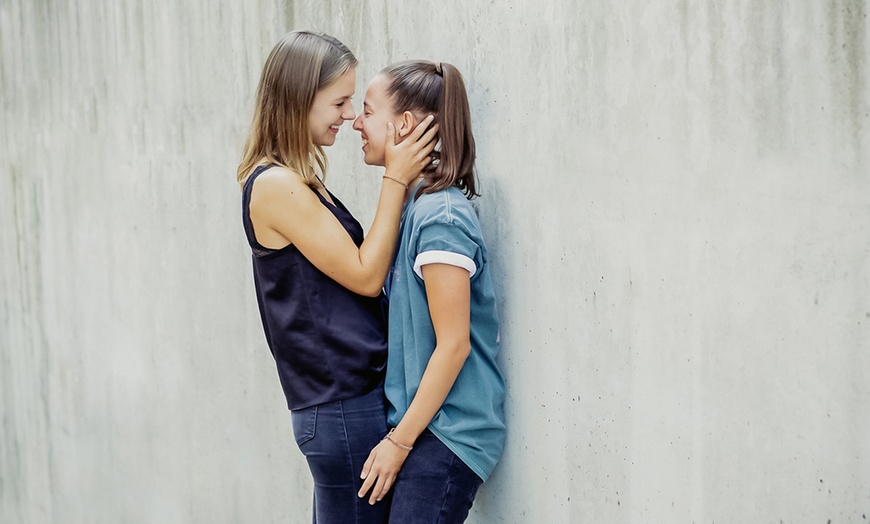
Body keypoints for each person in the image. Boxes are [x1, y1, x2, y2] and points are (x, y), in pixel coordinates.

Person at [237, 31, 437, 524]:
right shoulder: (276, 185)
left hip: (342, 406)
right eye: (340, 101)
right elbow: (367, 275)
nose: (349, 116)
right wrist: (396, 176)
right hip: (342, 406)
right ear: (300, 99)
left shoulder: (294, 178)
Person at [352, 60, 507, 523]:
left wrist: (398, 444)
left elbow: (454, 344)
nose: (356, 123)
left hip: (448, 434)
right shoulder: (415, 207)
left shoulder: (441, 217)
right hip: (424, 428)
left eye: (366, 110)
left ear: (404, 125)